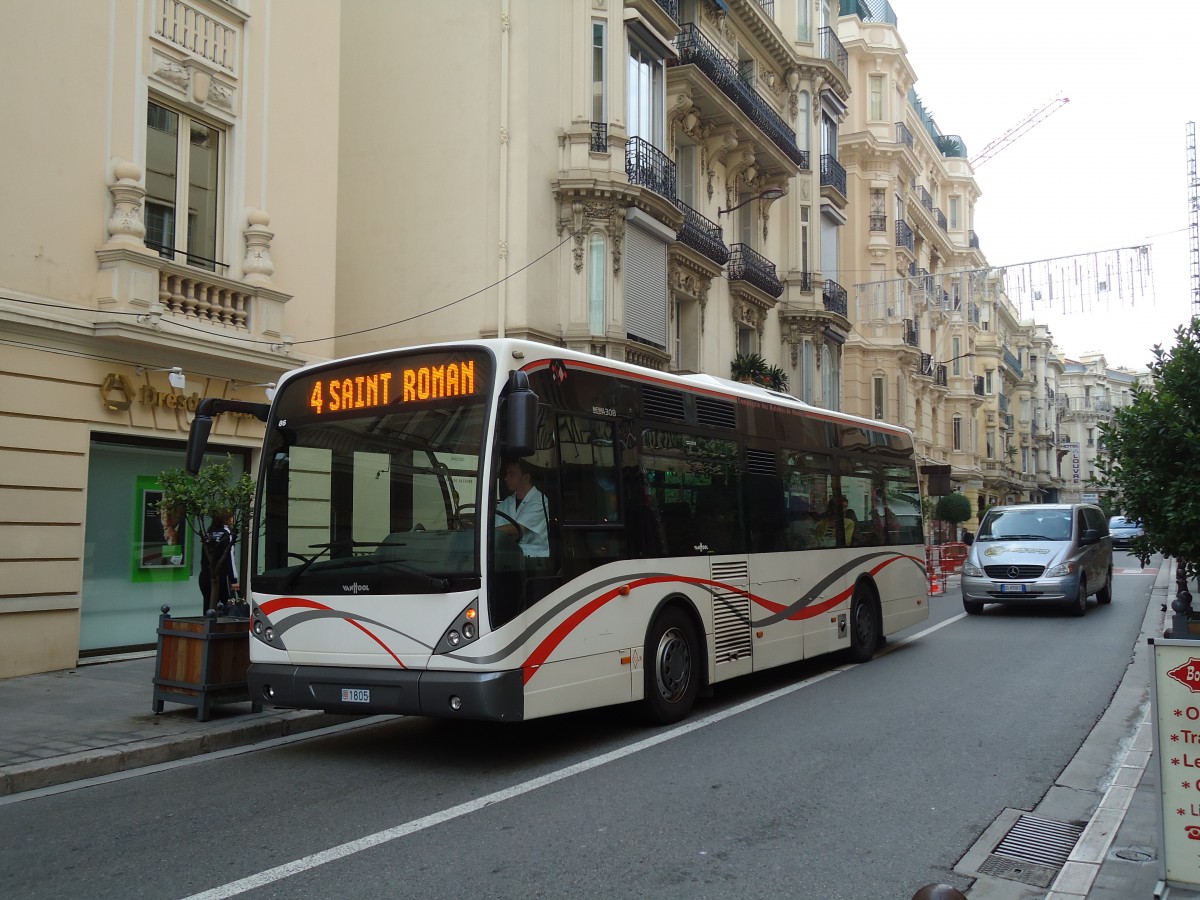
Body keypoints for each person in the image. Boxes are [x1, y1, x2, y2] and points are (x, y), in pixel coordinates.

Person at [495, 459, 550, 561]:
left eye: (511, 474)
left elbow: (517, 529)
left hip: (534, 559)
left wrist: (487, 532)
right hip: (509, 557)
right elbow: (493, 522)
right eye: (506, 474)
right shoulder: (507, 502)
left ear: (526, 477)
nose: (506, 479)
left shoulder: (539, 500)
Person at [197, 514, 240, 609]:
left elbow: (203, 559)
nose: (232, 520)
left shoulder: (208, 533)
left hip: (205, 576)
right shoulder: (227, 533)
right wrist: (234, 580)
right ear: (226, 519)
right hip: (220, 577)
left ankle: (208, 623)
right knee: (225, 608)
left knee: (208, 608)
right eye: (231, 517)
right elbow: (230, 557)